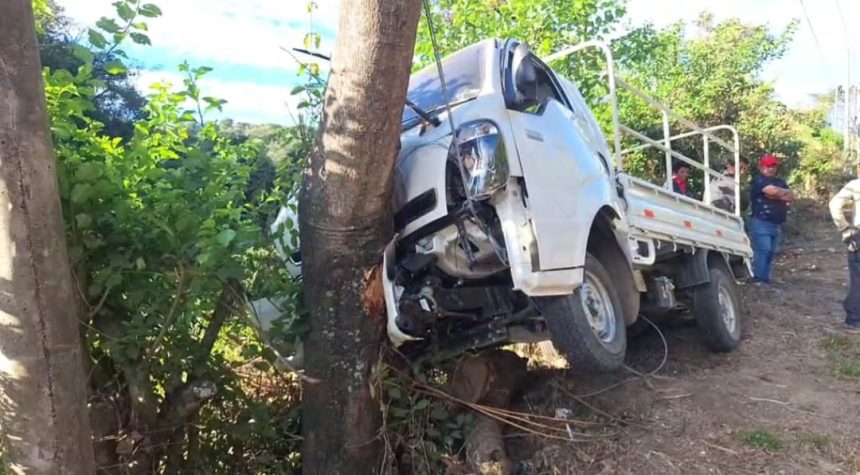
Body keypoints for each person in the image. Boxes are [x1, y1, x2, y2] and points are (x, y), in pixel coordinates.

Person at [748, 154, 793, 284]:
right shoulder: (758, 180)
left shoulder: (780, 181)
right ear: (761, 167)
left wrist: (777, 194)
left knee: (771, 252)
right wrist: (780, 193)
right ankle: (758, 279)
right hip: (761, 221)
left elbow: (791, 196)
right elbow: (772, 191)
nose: (771, 168)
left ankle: (765, 279)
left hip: (776, 224)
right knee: (763, 250)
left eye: (773, 166)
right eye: (768, 166)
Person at [828, 179, 860, 333]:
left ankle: (855, 321)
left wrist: (844, 228)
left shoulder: (856, 185)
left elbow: (834, 204)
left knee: (858, 279)